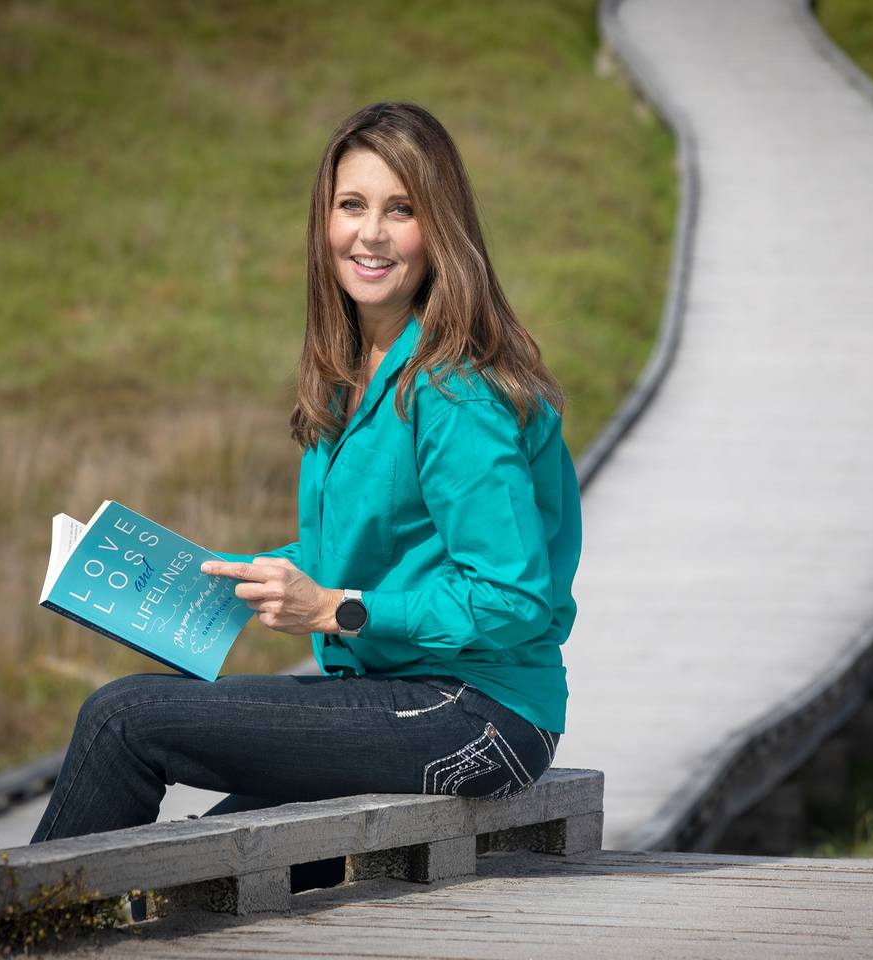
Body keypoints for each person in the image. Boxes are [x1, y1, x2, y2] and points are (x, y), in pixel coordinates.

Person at [30, 101, 582, 844]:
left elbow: (513, 597)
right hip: (395, 694)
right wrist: (218, 579)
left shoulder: (454, 389)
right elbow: (359, 554)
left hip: (481, 714)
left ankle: (17, 932)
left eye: (401, 210)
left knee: (123, 718)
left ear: (441, 229)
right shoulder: (350, 374)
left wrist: (334, 610)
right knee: (204, 870)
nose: (371, 234)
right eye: (351, 206)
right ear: (325, 222)